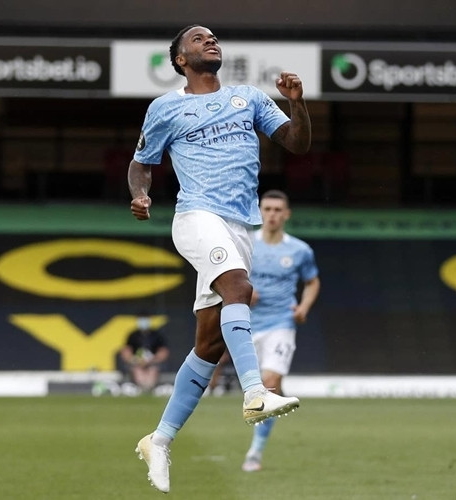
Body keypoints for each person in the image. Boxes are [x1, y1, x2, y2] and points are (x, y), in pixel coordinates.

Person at [128, 24, 311, 493]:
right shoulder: (166, 107)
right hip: (196, 216)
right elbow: (141, 162)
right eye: (197, 39)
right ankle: (255, 393)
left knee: (209, 345)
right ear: (180, 60)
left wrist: (297, 103)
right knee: (239, 289)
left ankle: (159, 440)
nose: (209, 41)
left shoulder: (249, 97)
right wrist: (141, 194)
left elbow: (297, 143)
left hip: (239, 227)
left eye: (212, 37)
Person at [241, 189, 320, 472]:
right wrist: (244, 291)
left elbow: (312, 282)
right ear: (259, 211)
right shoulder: (245, 243)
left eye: (277, 210)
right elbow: (227, 277)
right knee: (263, 389)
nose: (272, 215)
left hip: (281, 324)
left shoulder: (299, 250)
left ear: (286, 214)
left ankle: (255, 452)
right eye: (267, 209)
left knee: (268, 384)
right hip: (247, 324)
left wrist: (304, 307)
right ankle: (279, 395)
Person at [119, 314, 170, 393]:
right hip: (137, 362)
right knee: (137, 370)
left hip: (153, 362)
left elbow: (163, 351)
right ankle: (141, 388)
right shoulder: (133, 335)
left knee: (153, 370)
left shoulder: (156, 335)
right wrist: (134, 360)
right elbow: (126, 351)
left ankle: (149, 388)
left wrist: (153, 360)